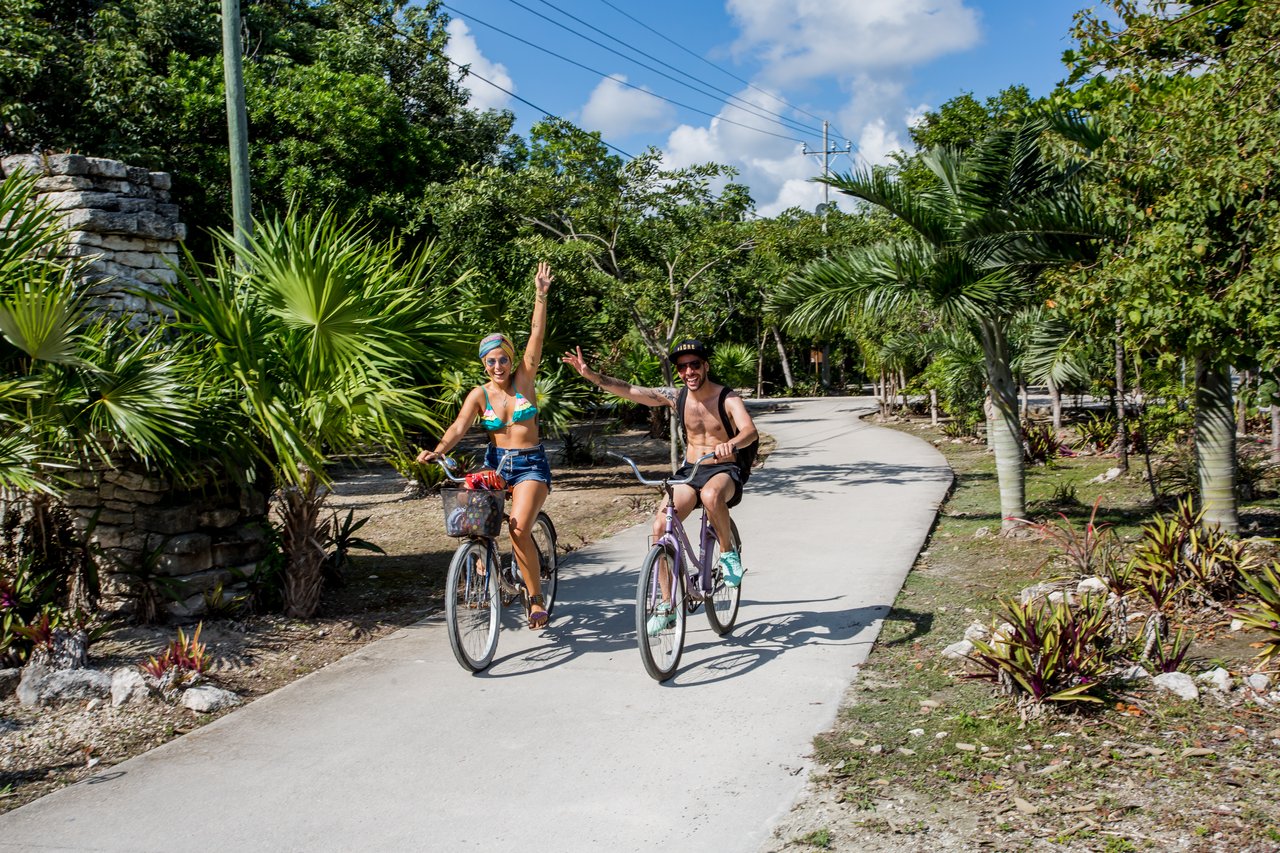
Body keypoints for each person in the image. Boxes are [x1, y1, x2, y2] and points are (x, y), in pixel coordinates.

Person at [562, 338, 757, 633]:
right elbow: (630, 390)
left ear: (706, 366)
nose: (688, 371)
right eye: (682, 367)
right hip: (691, 469)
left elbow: (750, 431)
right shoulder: (676, 397)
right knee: (660, 525)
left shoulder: (727, 398)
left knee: (711, 494)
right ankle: (667, 604)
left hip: (724, 469)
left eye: (694, 365)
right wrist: (591, 375)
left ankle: (728, 554)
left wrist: (731, 444)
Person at [418, 262, 555, 629]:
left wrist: (540, 295)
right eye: (491, 360)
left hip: (530, 465)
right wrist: (438, 450)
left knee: (518, 528)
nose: (498, 365)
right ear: (484, 364)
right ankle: (481, 554)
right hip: (496, 464)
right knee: (468, 511)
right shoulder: (479, 393)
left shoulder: (524, 379)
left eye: (504, 358)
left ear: (513, 360)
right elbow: (459, 426)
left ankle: (535, 598)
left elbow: (536, 335)